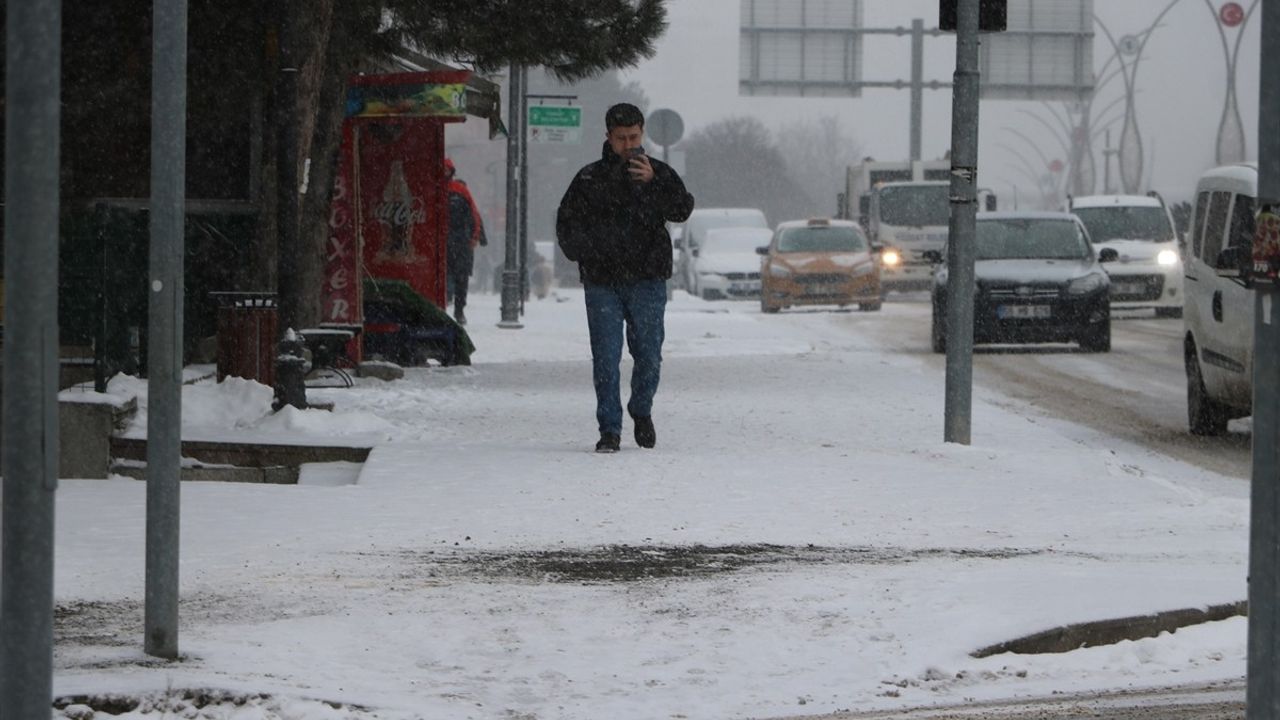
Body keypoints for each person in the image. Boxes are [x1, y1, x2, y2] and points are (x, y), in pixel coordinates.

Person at [555, 103, 695, 453]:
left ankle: (641, 409)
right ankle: (610, 429)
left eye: (634, 136)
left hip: (647, 278)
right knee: (606, 356)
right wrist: (587, 250)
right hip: (602, 280)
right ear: (608, 137)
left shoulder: (659, 172)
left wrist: (655, 182)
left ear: (642, 132)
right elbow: (567, 224)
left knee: (649, 353)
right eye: (621, 138)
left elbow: (681, 209)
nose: (628, 144)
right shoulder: (589, 178)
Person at [444, 158, 486, 325]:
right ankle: (456, 309)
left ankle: (457, 308)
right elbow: (475, 215)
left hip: (457, 242)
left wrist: (475, 236)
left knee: (458, 278)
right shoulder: (460, 191)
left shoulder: (458, 190)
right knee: (456, 277)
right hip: (458, 242)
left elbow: (474, 216)